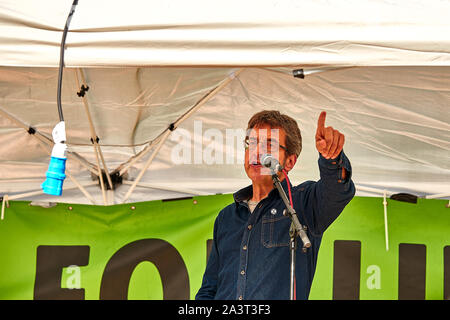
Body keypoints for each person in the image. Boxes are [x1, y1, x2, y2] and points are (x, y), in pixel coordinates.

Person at [195, 110, 355, 300]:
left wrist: (332, 159)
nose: (256, 151)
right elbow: (209, 289)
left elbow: (337, 191)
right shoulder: (227, 217)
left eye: (268, 144)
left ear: (289, 161)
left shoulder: (303, 204)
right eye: (251, 143)